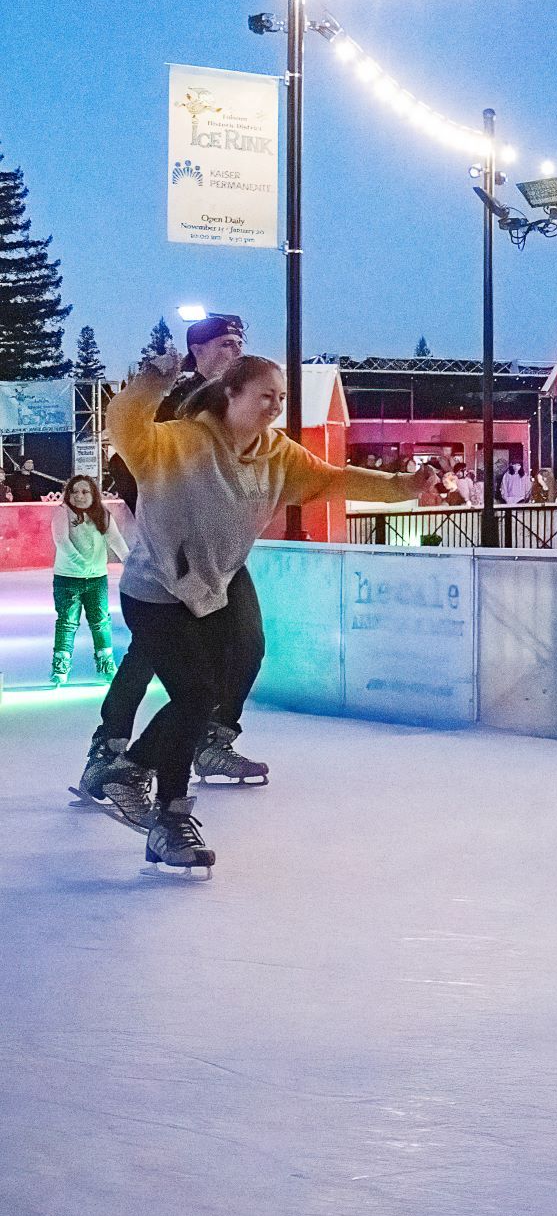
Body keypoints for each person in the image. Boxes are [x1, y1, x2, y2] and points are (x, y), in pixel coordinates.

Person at [91, 352, 432, 870]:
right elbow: (126, 424)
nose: (274, 406)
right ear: (230, 394)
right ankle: (168, 815)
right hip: (156, 591)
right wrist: (151, 382)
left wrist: (399, 489)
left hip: (215, 588)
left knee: (218, 684)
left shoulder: (278, 455)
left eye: (281, 398)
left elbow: (332, 480)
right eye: (264, 396)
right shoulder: (178, 442)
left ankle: (133, 769)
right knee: (196, 695)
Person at [81, 313, 260, 802]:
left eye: (240, 343)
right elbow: (126, 461)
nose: (235, 351)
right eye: (225, 344)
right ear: (197, 351)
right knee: (151, 653)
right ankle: (109, 746)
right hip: (171, 554)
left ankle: (212, 737)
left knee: (246, 645)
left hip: (223, 551)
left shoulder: (241, 404)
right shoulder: (175, 405)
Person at [51, 476, 126, 687]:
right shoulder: (62, 512)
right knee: (67, 622)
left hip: (96, 579)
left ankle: (106, 663)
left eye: (85, 492)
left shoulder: (102, 515)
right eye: (75, 491)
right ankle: (61, 665)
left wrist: (129, 562)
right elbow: (61, 540)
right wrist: (79, 562)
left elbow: (116, 540)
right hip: (68, 579)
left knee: (100, 621)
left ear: (93, 494)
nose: (80, 496)